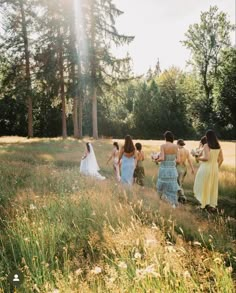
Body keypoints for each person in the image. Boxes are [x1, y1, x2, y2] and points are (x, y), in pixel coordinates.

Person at [193, 130, 223, 211]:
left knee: (203, 185)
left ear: (207, 137)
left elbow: (206, 158)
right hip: (214, 169)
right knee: (212, 186)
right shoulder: (218, 145)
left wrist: (198, 158)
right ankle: (212, 205)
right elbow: (221, 159)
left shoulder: (206, 145)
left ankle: (203, 204)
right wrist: (217, 167)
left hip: (205, 168)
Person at [155, 131, 180, 208]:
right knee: (172, 186)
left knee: (163, 186)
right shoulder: (176, 147)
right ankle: (172, 204)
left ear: (165, 138)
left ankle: (163, 203)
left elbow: (162, 158)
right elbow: (178, 160)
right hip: (172, 169)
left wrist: (156, 160)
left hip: (164, 169)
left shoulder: (163, 146)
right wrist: (171, 162)